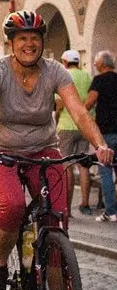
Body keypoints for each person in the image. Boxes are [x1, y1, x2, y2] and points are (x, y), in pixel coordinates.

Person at [0, 12, 113, 290]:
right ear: (11, 43)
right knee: (12, 205)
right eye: (22, 38)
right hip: (0, 151)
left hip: (44, 150)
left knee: (56, 220)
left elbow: (78, 111)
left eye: (35, 38)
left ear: (42, 42)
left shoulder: (55, 71)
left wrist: (99, 144)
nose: (29, 44)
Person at [55, 48, 93, 214]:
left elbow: (60, 104)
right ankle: (85, 203)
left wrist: (55, 116)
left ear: (64, 62)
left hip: (67, 125)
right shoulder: (86, 76)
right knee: (84, 165)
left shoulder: (63, 76)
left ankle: (67, 208)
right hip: (84, 126)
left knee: (66, 165)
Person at [85, 50, 117, 222]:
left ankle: (111, 212)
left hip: (105, 134)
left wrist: (83, 115)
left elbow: (89, 102)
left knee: (105, 172)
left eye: (96, 62)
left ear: (103, 64)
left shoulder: (99, 80)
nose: (95, 65)